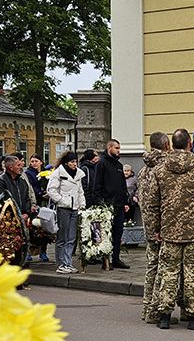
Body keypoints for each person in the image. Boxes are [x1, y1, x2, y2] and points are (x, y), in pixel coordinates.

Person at [151, 128, 194, 330]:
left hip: (169, 229)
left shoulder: (159, 171)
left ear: (172, 144)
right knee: (193, 273)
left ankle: (165, 315)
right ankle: (193, 317)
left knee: (169, 272)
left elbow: (153, 202)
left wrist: (155, 228)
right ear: (190, 144)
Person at [137, 132, 172, 323]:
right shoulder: (164, 167)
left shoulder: (144, 169)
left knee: (152, 266)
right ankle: (155, 311)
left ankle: (147, 307)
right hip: (160, 225)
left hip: (148, 223)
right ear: (166, 145)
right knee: (163, 268)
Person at [93, 139, 131, 269]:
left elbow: (122, 185)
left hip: (119, 204)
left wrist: (125, 201)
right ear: (109, 148)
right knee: (106, 233)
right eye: (116, 148)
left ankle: (116, 258)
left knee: (118, 233)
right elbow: (97, 185)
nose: (118, 150)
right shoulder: (101, 164)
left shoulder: (119, 165)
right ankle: (106, 259)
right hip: (107, 205)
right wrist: (100, 203)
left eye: (119, 148)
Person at [47, 150, 86, 274]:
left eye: (76, 161)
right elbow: (51, 190)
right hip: (63, 208)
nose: (75, 164)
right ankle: (61, 263)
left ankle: (68, 262)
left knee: (71, 237)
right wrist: (62, 201)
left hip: (74, 208)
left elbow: (80, 191)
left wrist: (82, 205)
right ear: (66, 162)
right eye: (72, 161)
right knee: (62, 237)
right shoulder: (58, 173)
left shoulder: (78, 174)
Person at [0, 154, 37, 230]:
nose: (21, 167)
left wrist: (26, 213)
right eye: (18, 165)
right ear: (11, 168)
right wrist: (17, 216)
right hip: (9, 222)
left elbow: (27, 198)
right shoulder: (1, 182)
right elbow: (3, 202)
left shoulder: (22, 181)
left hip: (24, 218)